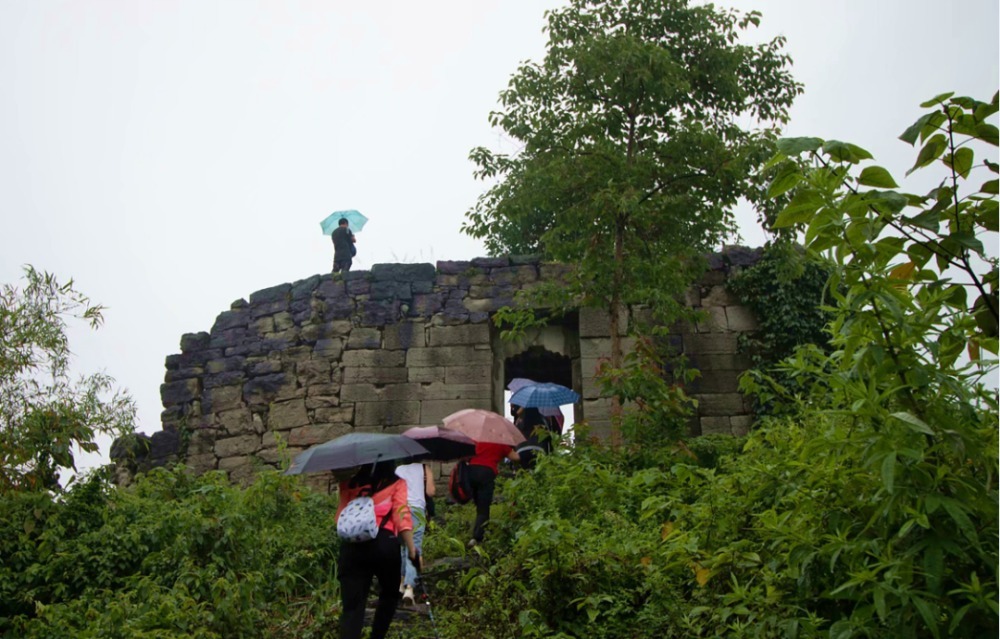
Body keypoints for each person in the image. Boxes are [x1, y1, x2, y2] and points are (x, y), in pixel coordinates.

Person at [336, 461, 419, 639]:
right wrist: (412, 550)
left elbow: (339, 519)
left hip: (351, 548)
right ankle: (377, 636)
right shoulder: (396, 483)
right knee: (389, 595)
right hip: (384, 544)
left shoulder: (348, 484)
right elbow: (402, 517)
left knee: (352, 607)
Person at [395, 462, 435, 605]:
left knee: (403, 548)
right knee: (414, 548)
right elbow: (430, 492)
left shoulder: (398, 469)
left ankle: (400, 584)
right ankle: (409, 588)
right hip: (417, 510)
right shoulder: (424, 468)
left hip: (400, 510)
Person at [466, 441, 520, 547]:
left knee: (478, 505)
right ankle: (477, 538)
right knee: (483, 508)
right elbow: (516, 457)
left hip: (471, 472)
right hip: (486, 472)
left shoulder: (476, 441)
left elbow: (466, 457)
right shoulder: (500, 443)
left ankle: (477, 529)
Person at [515, 406, 549, 471]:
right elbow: (547, 437)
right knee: (537, 472)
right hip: (538, 449)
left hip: (521, 449)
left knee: (524, 472)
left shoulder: (519, 421)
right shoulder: (543, 420)